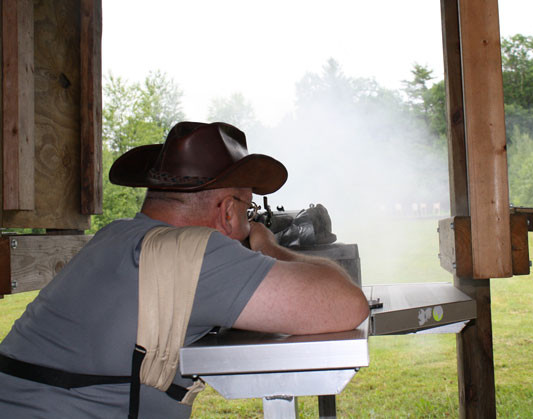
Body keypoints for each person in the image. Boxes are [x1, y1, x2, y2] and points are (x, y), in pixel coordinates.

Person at [0, 121, 369, 418]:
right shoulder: (192, 251)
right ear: (226, 211)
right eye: (248, 211)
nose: (248, 221)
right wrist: (266, 246)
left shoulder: (118, 236)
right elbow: (347, 304)